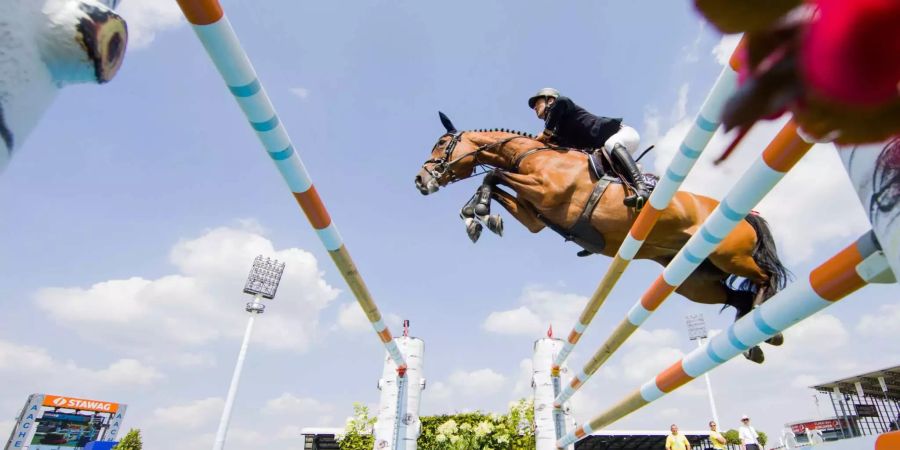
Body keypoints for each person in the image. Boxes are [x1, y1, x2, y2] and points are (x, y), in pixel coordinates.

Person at [528, 88, 650, 210]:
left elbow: (562, 101)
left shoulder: (564, 107)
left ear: (550, 100)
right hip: (607, 155)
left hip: (623, 134)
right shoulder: (558, 132)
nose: (535, 108)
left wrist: (546, 133)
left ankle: (642, 189)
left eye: (537, 103)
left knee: (610, 143)